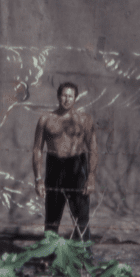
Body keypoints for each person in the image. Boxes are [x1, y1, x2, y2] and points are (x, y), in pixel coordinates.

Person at [32, 81, 98, 242]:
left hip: (76, 166)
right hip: (54, 167)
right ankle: (48, 257)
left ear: (75, 98)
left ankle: (84, 257)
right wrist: (38, 179)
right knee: (52, 218)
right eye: (64, 95)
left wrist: (90, 177)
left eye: (70, 96)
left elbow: (93, 150)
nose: (67, 99)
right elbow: (37, 150)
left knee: (81, 217)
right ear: (58, 96)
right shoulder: (46, 119)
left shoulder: (84, 119)